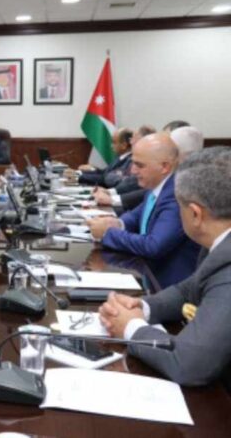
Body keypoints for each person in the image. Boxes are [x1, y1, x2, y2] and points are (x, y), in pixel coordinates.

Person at [98, 147, 231, 391]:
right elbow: (189, 290)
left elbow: (190, 364)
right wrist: (142, 307)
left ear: (195, 214)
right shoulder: (219, 241)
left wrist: (131, 327)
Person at [87, 133, 200, 287]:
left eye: (139, 165)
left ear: (165, 167)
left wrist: (108, 233)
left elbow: (153, 246)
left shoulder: (177, 195)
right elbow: (136, 216)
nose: (133, 171)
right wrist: (115, 223)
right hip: (147, 273)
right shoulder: (158, 185)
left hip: (167, 286)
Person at [95, 125, 203, 211]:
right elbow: (137, 214)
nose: (131, 142)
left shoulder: (182, 184)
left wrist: (113, 199)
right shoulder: (161, 178)